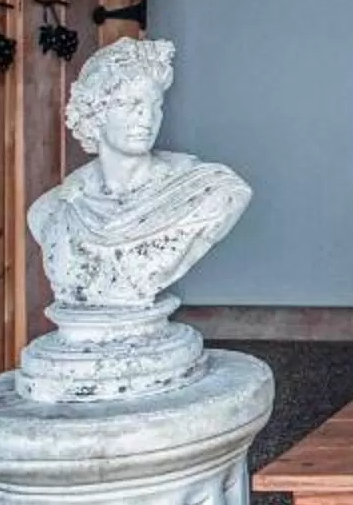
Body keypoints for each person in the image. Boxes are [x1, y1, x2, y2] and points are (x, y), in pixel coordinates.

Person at [27, 37, 252, 313]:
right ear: (96, 113)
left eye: (154, 105)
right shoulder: (52, 210)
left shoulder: (210, 191)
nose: (146, 118)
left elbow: (227, 198)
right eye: (129, 104)